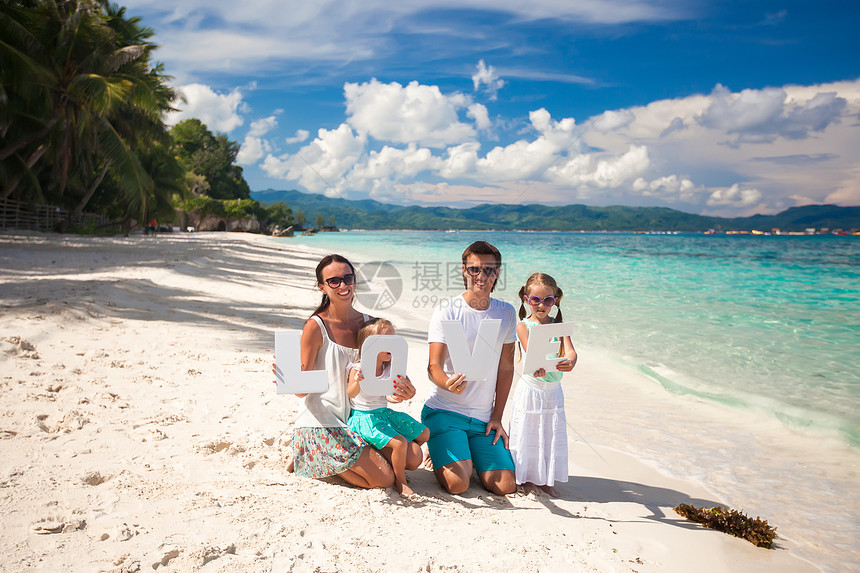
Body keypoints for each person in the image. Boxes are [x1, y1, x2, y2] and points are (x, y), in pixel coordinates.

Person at [289, 254, 405, 489]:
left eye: (347, 278)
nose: (343, 285)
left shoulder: (372, 325)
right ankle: (312, 455)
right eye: (334, 281)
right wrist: (289, 377)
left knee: (410, 458)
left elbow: (387, 374)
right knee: (383, 479)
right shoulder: (315, 326)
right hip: (323, 420)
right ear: (322, 287)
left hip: (359, 419)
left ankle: (320, 455)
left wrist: (401, 390)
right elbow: (301, 393)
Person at [423, 241, 518, 495]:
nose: (481, 276)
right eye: (475, 269)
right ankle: (440, 446)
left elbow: (506, 368)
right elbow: (433, 366)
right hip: (445, 411)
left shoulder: (506, 313)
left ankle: (466, 453)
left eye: (489, 270)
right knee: (458, 484)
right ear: (464, 271)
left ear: (497, 273)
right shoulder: (446, 311)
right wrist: (446, 382)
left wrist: (497, 417)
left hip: (483, 418)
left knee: (505, 486)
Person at [508, 272, 577, 497]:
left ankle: (546, 479)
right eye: (535, 300)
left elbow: (571, 352)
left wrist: (571, 362)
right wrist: (538, 365)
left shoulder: (560, 327)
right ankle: (527, 478)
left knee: (549, 433)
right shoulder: (523, 326)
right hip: (532, 389)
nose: (541, 305)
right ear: (527, 300)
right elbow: (531, 355)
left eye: (547, 300)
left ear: (555, 300)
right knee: (529, 432)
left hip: (553, 391)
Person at [347, 318, 429, 495]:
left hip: (383, 414)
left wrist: (397, 397)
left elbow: (389, 396)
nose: (392, 346)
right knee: (399, 443)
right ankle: (400, 482)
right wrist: (357, 381)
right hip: (365, 417)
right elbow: (350, 393)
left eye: (394, 340)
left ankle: (389, 456)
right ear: (370, 346)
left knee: (424, 433)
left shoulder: (389, 368)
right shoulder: (358, 368)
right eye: (386, 342)